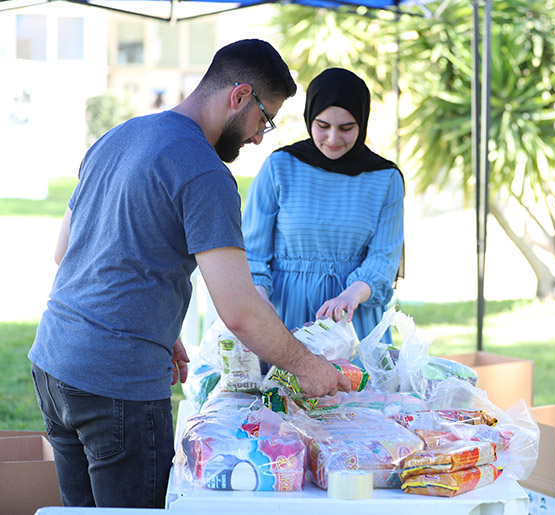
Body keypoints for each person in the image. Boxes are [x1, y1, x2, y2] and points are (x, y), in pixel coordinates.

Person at [28, 39, 350, 509]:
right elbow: (240, 311)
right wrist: (307, 366)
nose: (259, 136)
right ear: (239, 96)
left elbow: (67, 253)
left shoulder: (120, 135)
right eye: (264, 119)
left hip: (55, 364)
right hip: (118, 385)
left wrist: (159, 326)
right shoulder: (205, 171)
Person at [241, 67, 404, 349]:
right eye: (323, 125)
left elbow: (384, 259)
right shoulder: (280, 167)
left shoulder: (386, 178)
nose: (332, 139)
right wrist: (262, 308)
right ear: (309, 117)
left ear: (362, 122)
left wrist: (350, 296)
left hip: (353, 319)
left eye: (347, 128)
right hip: (284, 315)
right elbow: (251, 253)